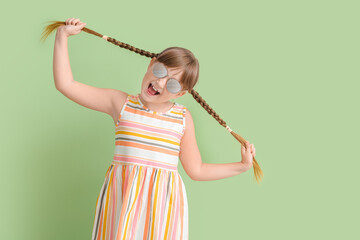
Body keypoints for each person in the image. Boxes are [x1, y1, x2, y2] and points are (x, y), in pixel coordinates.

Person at [48, 17, 260, 240]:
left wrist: (242, 166)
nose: (160, 83)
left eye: (173, 83)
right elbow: (66, 85)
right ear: (151, 64)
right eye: (160, 72)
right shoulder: (121, 104)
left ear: (181, 93)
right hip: (121, 202)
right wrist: (62, 37)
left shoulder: (182, 119)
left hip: (162, 212)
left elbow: (196, 169)